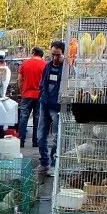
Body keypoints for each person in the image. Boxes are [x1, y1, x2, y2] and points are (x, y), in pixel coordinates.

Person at [37, 41, 65, 174]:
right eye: (53, 54)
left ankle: (54, 164)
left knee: (56, 137)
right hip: (44, 104)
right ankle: (44, 162)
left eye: (58, 55)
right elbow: (42, 83)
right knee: (40, 135)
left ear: (63, 55)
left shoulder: (66, 69)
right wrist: (42, 95)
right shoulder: (47, 66)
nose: (55, 58)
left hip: (57, 107)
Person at [17, 46, 45, 147]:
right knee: (38, 118)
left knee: (24, 117)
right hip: (39, 95)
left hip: (26, 95)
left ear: (33, 53)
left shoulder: (25, 63)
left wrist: (22, 91)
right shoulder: (45, 64)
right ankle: (35, 141)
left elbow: (19, 79)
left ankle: (21, 141)